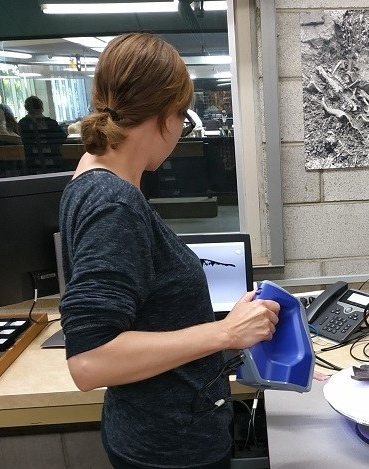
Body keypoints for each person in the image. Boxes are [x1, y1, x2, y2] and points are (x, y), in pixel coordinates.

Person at [58, 33, 280, 469]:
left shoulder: (91, 175)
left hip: (152, 430)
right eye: (183, 118)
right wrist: (226, 333)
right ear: (165, 116)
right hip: (170, 448)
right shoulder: (114, 202)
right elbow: (89, 362)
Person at [18, 95, 67, 173]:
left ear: (26, 108)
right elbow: (63, 138)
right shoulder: (51, 123)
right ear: (41, 107)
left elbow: (20, 141)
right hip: (54, 166)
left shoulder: (23, 123)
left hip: (32, 166)